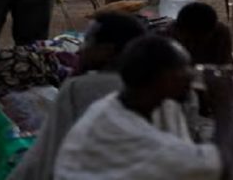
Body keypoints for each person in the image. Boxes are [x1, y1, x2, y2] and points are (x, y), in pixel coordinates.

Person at [54, 35, 233, 180]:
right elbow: (219, 164)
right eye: (184, 70)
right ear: (163, 78)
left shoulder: (119, 108)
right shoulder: (125, 131)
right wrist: (224, 105)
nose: (190, 76)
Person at [10, 12, 147, 180]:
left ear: (107, 50)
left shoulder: (79, 89)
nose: (81, 50)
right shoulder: (150, 87)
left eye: (88, 42)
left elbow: (47, 152)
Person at [168, 2, 233, 66]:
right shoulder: (168, 37)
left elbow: (225, 64)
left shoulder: (220, 33)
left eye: (198, 40)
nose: (193, 44)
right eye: (189, 39)